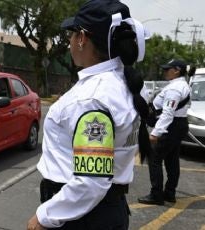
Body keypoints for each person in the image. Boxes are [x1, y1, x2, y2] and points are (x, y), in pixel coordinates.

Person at [26, 1, 151, 229]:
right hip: (106, 210)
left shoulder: (92, 98)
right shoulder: (127, 83)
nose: (70, 42)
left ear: (82, 38)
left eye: (71, 35)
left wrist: (45, 216)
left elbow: (91, 182)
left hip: (81, 217)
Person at [138, 59, 192, 205]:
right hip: (178, 124)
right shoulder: (182, 85)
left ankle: (156, 195)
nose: (164, 72)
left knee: (154, 159)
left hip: (171, 126)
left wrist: (156, 132)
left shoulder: (174, 89)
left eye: (167, 69)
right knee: (172, 159)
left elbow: (168, 113)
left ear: (177, 70)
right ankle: (170, 193)